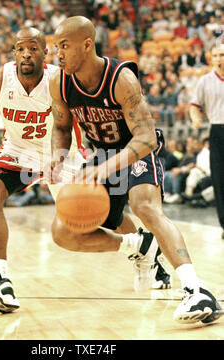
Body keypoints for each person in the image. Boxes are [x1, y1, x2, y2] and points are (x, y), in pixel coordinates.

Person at [0, 27, 168, 315]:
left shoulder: (60, 79)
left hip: (63, 154)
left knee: (102, 215)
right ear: (13, 52)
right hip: (19, 153)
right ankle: (0, 278)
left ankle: (144, 251)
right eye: (20, 48)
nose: (26, 53)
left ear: (45, 51)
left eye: (33, 48)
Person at [49, 16, 222, 324]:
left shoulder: (120, 78)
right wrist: (57, 156)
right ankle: (140, 246)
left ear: (87, 45)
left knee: (144, 206)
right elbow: (62, 126)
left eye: (64, 46)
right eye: (55, 47)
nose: (57, 54)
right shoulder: (59, 82)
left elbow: (145, 136)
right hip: (102, 155)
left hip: (136, 150)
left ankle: (196, 289)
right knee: (63, 232)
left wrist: (104, 170)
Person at [189, 44, 224, 239]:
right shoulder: (205, 81)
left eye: (223, 55)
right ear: (211, 58)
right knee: (219, 180)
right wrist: (195, 118)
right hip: (217, 130)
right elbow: (194, 106)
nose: (219, 58)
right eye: (216, 55)